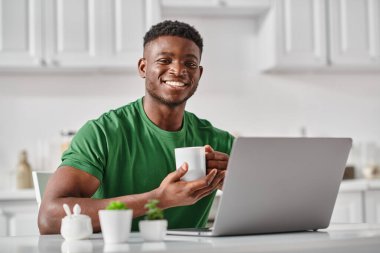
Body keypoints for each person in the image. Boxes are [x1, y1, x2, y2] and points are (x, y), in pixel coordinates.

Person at [38, 20, 235, 234]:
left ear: (199, 73)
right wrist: (159, 199)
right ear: (143, 67)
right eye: (165, 60)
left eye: (190, 64)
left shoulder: (219, 142)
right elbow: (49, 218)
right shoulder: (102, 133)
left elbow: (272, 203)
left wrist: (236, 185)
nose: (178, 70)